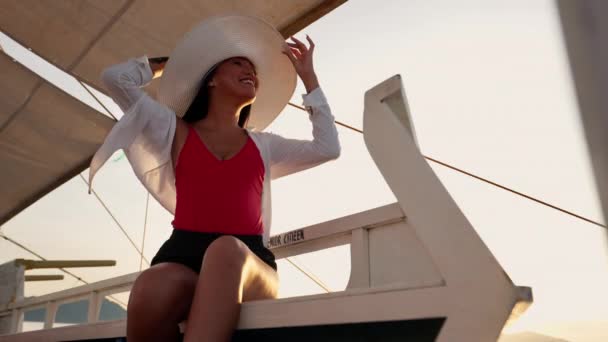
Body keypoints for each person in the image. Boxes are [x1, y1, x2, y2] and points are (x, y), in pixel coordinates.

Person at [89, 15, 340, 342]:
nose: (250, 71)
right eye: (238, 63)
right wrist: (173, 64)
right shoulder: (172, 131)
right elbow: (115, 79)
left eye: (253, 70)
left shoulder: (264, 145)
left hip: (249, 264)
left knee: (226, 251)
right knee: (150, 287)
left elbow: (327, 148)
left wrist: (310, 81)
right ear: (209, 78)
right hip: (183, 254)